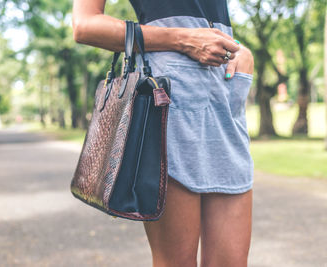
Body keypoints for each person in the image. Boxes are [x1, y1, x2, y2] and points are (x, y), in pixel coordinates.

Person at [72, 0, 255, 266]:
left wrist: (242, 50)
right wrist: (182, 39)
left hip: (223, 95)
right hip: (169, 101)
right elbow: (85, 25)